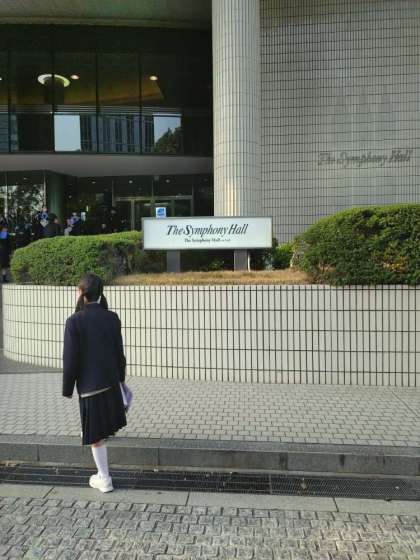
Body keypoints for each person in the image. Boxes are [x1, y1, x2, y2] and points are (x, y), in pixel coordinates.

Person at [62, 273, 127, 493]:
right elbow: (119, 353)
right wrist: (121, 380)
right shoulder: (112, 317)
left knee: (96, 437)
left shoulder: (74, 321)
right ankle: (102, 475)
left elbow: (70, 358)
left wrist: (67, 389)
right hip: (111, 383)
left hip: (90, 389)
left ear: (82, 293)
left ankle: (104, 478)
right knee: (101, 431)